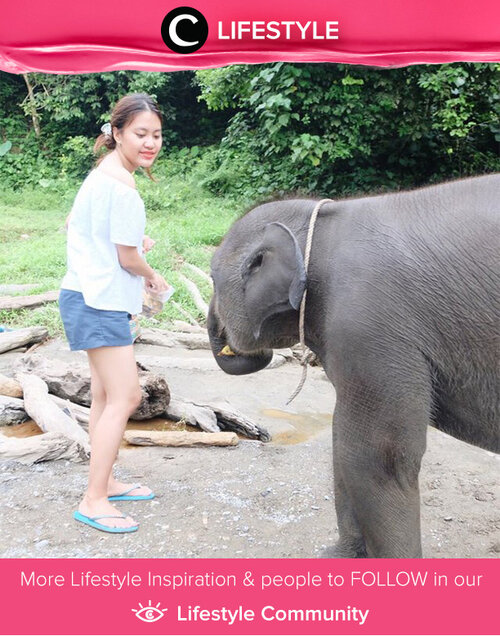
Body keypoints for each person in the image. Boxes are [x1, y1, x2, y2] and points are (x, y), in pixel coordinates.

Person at [59, 93, 169, 533]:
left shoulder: (103, 175)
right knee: (127, 397)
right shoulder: (122, 187)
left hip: (86, 295)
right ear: (117, 132)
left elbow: (75, 225)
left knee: (106, 397)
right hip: (99, 300)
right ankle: (94, 499)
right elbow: (126, 259)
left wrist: (132, 246)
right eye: (141, 134)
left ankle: (104, 482)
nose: (150, 143)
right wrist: (153, 276)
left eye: (157, 135)